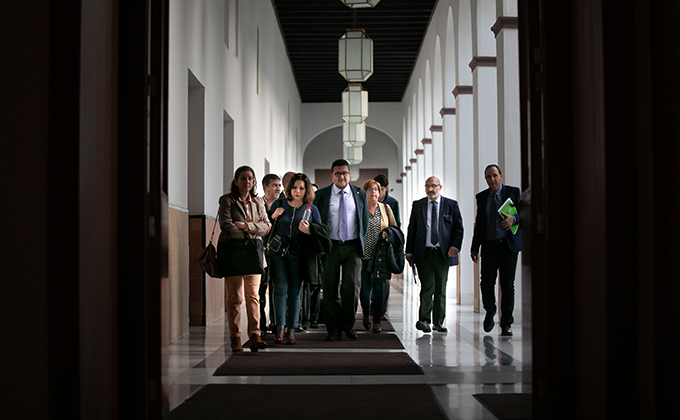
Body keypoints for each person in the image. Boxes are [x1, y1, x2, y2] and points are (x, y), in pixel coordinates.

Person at [313, 159, 369, 341]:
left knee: (352, 288)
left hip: (352, 246)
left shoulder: (360, 194)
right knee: (330, 288)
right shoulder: (322, 195)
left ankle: (349, 326)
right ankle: (333, 329)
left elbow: (364, 221)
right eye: (337, 173)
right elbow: (317, 220)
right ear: (332, 175)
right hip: (330, 247)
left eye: (345, 173)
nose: (341, 176)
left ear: (349, 174)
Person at [218, 165, 272, 352]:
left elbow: (266, 226)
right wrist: (248, 233)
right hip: (233, 252)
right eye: (243, 178)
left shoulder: (258, 201)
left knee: (253, 296)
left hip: (253, 253)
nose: (247, 181)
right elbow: (226, 224)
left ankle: (255, 335)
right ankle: (235, 337)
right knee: (235, 298)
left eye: (251, 178)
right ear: (236, 181)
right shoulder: (227, 200)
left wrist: (246, 226)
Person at [405, 176, 464, 333]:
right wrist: (409, 251)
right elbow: (412, 229)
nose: (431, 189)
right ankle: (424, 320)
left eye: (434, 186)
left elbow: (459, 228)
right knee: (427, 287)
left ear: (440, 187)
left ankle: (438, 322)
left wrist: (455, 247)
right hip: (424, 253)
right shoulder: (418, 205)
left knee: (440, 288)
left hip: (442, 253)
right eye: (428, 186)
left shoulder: (451, 205)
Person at [269, 173, 322, 344]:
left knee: (294, 291)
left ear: (306, 190)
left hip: (298, 254)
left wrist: (310, 230)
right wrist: (273, 216)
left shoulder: (311, 209)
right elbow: (267, 225)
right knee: (280, 289)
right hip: (278, 252)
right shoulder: (280, 204)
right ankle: (279, 327)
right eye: (294, 187)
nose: (297, 191)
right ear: (289, 188)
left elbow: (320, 232)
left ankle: (292, 328)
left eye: (301, 188)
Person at [470, 164, 521, 336]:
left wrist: (514, 218)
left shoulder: (513, 193)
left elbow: (524, 213)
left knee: (507, 285)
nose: (492, 180)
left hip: (508, 246)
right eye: (488, 177)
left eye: (494, 176)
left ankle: (506, 323)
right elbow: (480, 223)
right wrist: (474, 247)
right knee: (486, 282)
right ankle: (490, 310)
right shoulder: (482, 197)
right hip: (489, 246)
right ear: (485, 179)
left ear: (501, 176)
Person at [359, 179, 398, 333]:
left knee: (379, 288)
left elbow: (395, 228)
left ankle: (376, 320)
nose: (373, 192)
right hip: (363, 255)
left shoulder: (385, 208)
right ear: (364, 192)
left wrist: (388, 233)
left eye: (376, 189)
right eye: (370, 189)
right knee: (365, 288)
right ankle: (366, 313)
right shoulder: (360, 209)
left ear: (380, 192)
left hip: (380, 255)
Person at [373, 173, 401, 321]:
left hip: (386, 245)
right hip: (372, 245)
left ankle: (382, 309)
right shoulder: (369, 201)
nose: (378, 192)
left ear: (386, 188)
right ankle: (374, 307)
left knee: (385, 279)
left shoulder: (392, 203)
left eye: (381, 189)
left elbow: (397, 225)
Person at [259, 174, 283, 336]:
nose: (278, 189)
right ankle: (261, 325)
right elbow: (257, 223)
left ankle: (276, 323)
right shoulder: (258, 204)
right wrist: (271, 217)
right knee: (260, 289)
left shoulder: (283, 204)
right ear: (265, 187)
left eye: (279, 185)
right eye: (274, 185)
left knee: (277, 288)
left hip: (278, 253)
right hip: (260, 251)